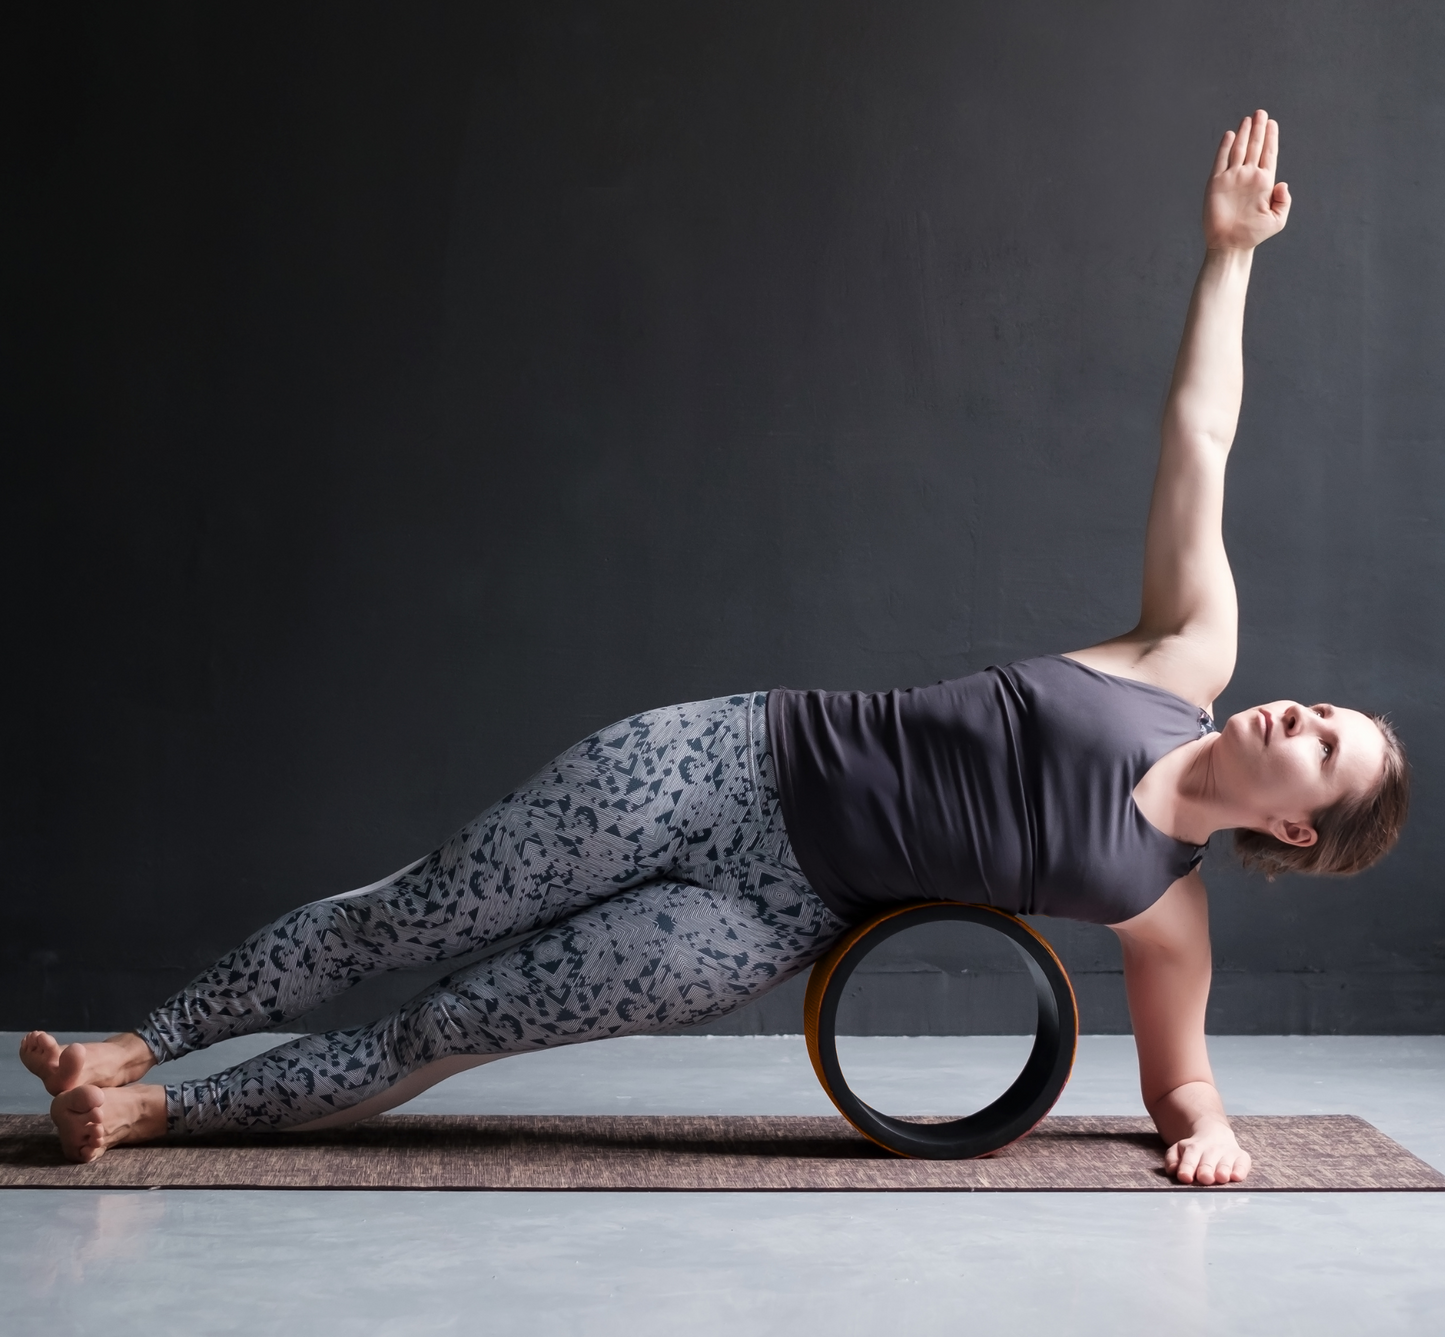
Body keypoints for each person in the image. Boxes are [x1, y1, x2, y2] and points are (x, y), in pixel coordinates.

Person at [21, 110, 1409, 1183]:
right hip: (726, 762)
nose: (1301, 715)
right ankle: (137, 1040)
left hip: (766, 916)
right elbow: (1200, 438)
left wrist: (1207, 1133)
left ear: (1298, 835)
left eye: (1326, 747)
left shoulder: (1167, 915)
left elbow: (1184, 1082)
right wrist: (1227, 254)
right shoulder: (1189, 655)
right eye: (1323, 707)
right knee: (416, 914)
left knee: (450, 1028)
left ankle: (145, 1113)